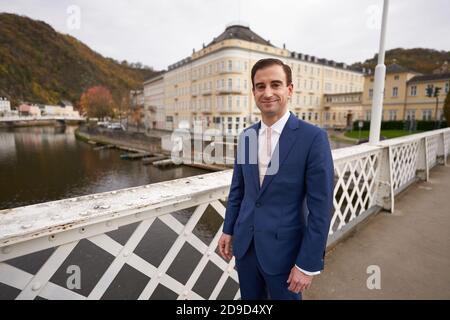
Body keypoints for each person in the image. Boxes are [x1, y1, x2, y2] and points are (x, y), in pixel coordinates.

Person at [218, 58, 334, 300]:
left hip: (286, 254)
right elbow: (239, 190)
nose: (267, 92)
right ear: (253, 92)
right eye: (260, 86)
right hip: (246, 247)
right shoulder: (247, 136)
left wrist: (307, 264)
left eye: (275, 84)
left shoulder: (313, 138)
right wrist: (228, 230)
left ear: (289, 90)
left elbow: (321, 209)